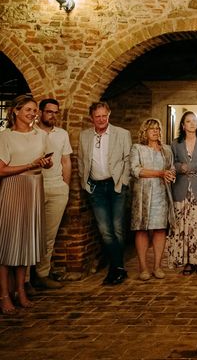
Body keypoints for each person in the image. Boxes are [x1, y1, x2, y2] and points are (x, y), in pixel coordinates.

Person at [0, 95, 52, 315]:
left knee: (25, 243)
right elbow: (1, 170)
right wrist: (28, 165)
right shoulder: (5, 137)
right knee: (7, 245)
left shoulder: (41, 135)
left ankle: (21, 290)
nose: (32, 114)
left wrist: (45, 164)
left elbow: (46, 164)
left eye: (34, 110)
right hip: (13, 189)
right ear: (15, 111)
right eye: (28, 110)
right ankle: (4, 295)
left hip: (34, 188)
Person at [78, 101, 131, 285]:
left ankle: (115, 268)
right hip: (96, 188)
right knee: (105, 230)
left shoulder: (122, 134)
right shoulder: (84, 136)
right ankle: (118, 268)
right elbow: (81, 161)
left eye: (104, 115)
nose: (101, 119)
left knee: (117, 228)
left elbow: (127, 159)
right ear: (91, 117)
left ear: (109, 114)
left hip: (116, 185)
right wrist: (85, 184)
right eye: (97, 116)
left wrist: (123, 182)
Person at [31, 98, 72, 290]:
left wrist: (65, 186)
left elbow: (66, 161)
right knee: (29, 233)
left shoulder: (62, 134)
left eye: (56, 112)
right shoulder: (31, 133)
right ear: (40, 112)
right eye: (49, 112)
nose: (52, 115)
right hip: (33, 187)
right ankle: (24, 279)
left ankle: (42, 274)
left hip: (57, 188)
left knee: (49, 235)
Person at [167, 111, 197, 275]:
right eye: (188, 121)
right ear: (183, 125)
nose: (192, 124)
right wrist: (181, 168)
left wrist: (191, 167)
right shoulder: (175, 144)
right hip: (181, 190)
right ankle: (186, 262)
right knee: (183, 227)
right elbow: (172, 164)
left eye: (194, 121)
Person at [129, 118, 176, 281]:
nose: (155, 131)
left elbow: (171, 168)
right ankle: (143, 267)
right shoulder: (138, 148)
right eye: (151, 129)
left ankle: (157, 266)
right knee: (141, 229)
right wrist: (160, 173)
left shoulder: (167, 150)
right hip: (143, 194)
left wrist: (171, 174)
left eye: (157, 128)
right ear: (144, 132)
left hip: (162, 194)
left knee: (160, 229)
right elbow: (135, 170)